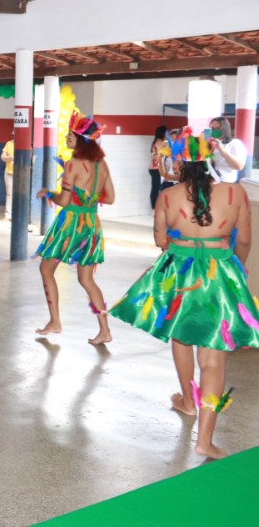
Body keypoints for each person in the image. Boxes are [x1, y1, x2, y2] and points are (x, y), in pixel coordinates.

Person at [110, 129, 259, 459]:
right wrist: (236, 269)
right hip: (220, 273)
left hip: (180, 273)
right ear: (210, 159)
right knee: (213, 357)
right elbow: (245, 241)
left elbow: (160, 241)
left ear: (179, 162)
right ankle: (205, 440)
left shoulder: (168, 196)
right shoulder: (235, 193)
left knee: (181, 335)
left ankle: (188, 401)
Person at [34, 110, 115, 345]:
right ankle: (105, 330)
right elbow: (110, 198)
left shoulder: (72, 165)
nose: (66, 138)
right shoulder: (102, 165)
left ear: (81, 139)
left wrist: (48, 193)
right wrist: (89, 197)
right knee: (87, 280)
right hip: (91, 225)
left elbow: (63, 201)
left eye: (70, 135)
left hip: (70, 225)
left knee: (46, 269)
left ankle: (55, 321)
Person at [208, 116, 246, 183]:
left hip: (227, 182)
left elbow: (239, 166)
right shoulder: (209, 143)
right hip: (210, 181)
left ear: (225, 129)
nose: (214, 131)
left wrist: (221, 149)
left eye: (218, 128)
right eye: (212, 129)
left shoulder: (234, 143)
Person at [149, 125, 168, 209]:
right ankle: (155, 207)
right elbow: (161, 156)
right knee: (157, 189)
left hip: (152, 168)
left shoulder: (155, 141)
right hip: (157, 168)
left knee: (154, 188)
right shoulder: (160, 142)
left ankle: (154, 207)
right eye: (166, 133)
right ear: (163, 133)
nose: (167, 135)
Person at [1, 135, 14, 221]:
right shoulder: (9, 143)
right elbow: (2, 157)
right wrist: (10, 157)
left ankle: (17, 214)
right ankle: (8, 215)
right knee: (9, 194)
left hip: (21, 173)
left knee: (20, 194)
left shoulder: (26, 143)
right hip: (9, 172)